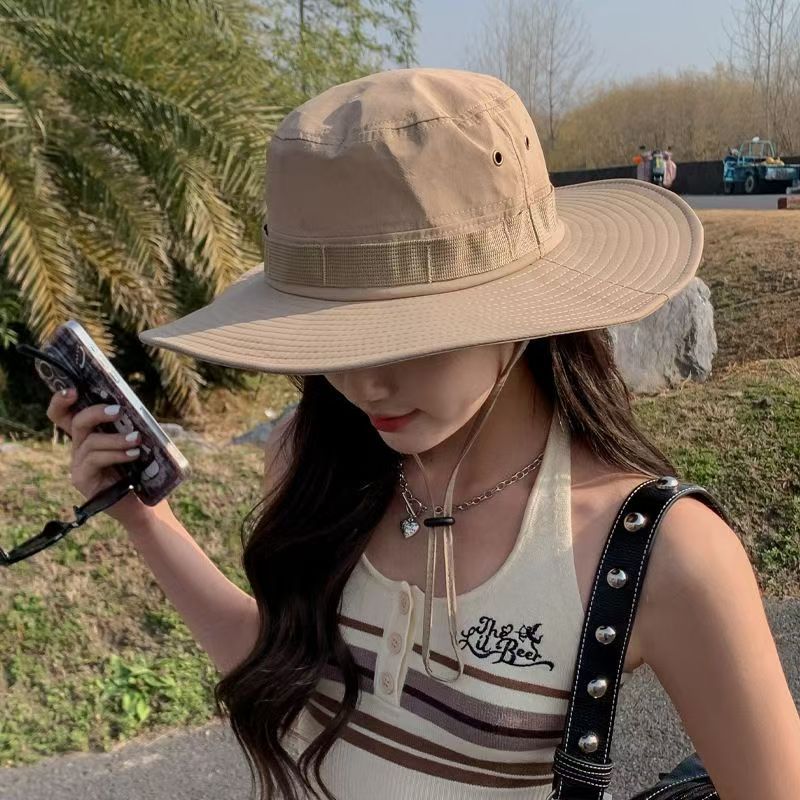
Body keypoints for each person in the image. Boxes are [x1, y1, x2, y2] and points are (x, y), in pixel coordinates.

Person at [48, 69, 800, 800]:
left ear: (520, 304)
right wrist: (143, 520)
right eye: (332, 338)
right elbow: (285, 678)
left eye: (407, 337)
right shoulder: (313, 462)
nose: (364, 386)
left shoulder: (662, 555)